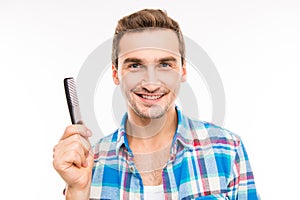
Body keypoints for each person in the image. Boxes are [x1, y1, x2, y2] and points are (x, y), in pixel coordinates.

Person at [53, 9, 259, 200]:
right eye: (135, 65)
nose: (151, 83)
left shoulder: (228, 149)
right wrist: (77, 191)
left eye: (165, 65)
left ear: (183, 71)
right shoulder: (90, 164)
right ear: (116, 74)